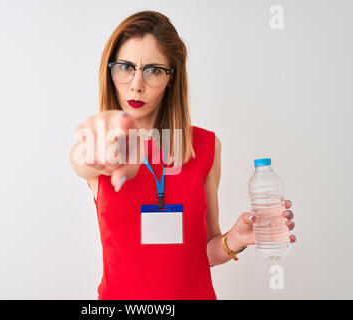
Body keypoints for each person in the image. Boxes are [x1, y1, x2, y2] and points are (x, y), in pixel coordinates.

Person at [69, 10, 296, 300]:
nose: (137, 84)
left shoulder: (206, 146)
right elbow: (81, 160)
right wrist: (93, 153)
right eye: (125, 67)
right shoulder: (102, 143)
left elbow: (205, 253)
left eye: (152, 70)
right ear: (109, 70)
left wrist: (236, 239)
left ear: (171, 77)